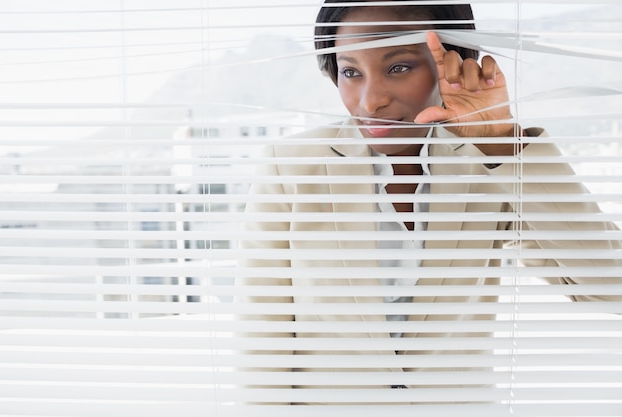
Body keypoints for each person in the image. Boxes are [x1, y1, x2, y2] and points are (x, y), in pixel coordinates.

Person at [235, 0, 621, 405]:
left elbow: (610, 286)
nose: (371, 102)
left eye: (398, 67)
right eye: (350, 72)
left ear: (455, 61)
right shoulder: (290, 166)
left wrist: (504, 143)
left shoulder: (492, 161)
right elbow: (263, 337)